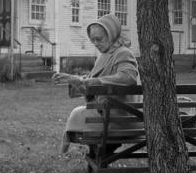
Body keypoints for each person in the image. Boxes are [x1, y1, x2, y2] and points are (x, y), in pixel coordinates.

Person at [53, 13, 140, 155]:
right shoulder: (104, 56)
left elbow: (128, 77)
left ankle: (99, 154)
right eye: (93, 40)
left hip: (121, 119)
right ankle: (98, 154)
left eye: (99, 39)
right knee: (78, 114)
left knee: (78, 114)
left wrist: (97, 81)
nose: (96, 43)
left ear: (111, 35)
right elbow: (90, 83)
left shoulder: (123, 53)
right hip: (110, 115)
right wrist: (73, 79)